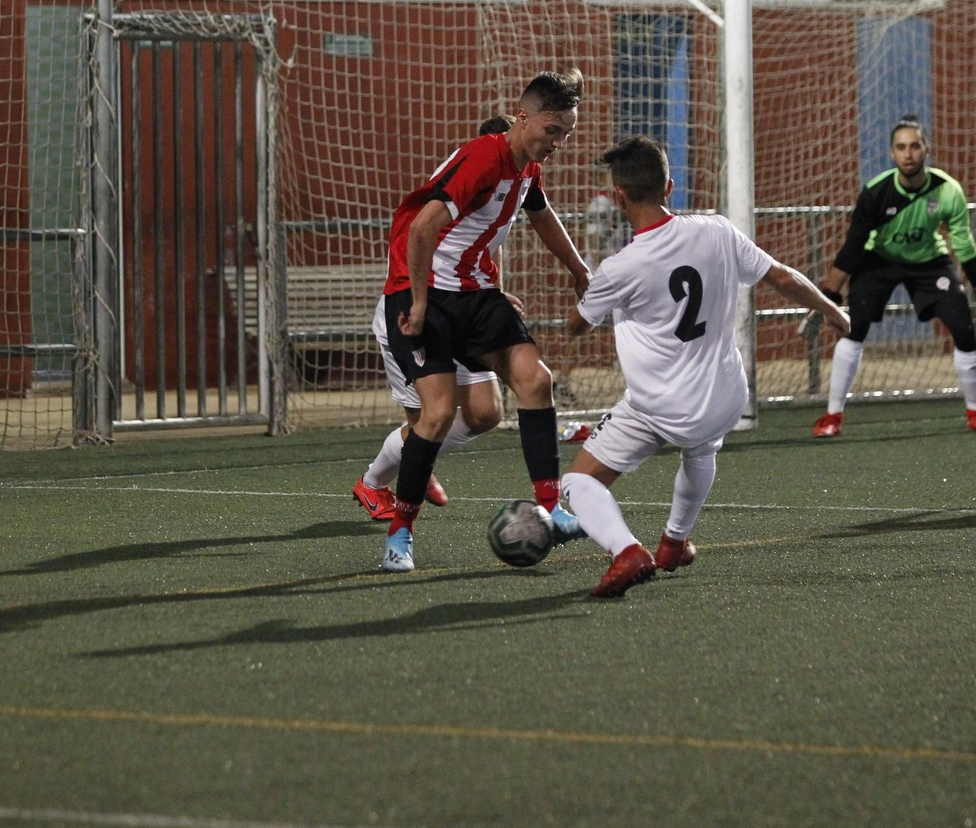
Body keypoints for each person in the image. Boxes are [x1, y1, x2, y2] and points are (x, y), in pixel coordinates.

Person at [561, 136, 849, 597]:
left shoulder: (621, 267)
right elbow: (781, 277)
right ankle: (675, 540)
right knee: (700, 448)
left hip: (660, 407)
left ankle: (627, 550)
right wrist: (833, 311)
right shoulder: (716, 230)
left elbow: (576, 326)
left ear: (618, 197)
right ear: (669, 187)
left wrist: (592, 287)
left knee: (576, 482)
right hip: (726, 398)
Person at [379, 69, 594, 572]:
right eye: (553, 130)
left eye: (567, 133)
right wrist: (420, 300)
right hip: (425, 295)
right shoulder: (484, 157)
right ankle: (399, 535)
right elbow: (421, 229)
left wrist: (579, 270)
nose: (558, 142)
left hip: (476, 294)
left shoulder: (527, 167)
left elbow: (542, 218)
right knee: (434, 416)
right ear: (523, 117)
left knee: (535, 381)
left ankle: (552, 508)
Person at [352, 115, 517, 520]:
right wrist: (420, 307)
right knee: (432, 419)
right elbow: (420, 245)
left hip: (465, 312)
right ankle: (375, 483)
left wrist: (491, 297)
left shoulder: (504, 194)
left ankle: (418, 455)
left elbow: (482, 256)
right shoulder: (453, 196)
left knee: (486, 413)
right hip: (416, 315)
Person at [810, 118, 976, 438]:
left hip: (929, 262)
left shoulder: (947, 190)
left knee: (962, 325)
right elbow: (854, 246)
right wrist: (828, 296)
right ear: (891, 153)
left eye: (915, 146)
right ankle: (832, 416)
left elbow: (964, 245)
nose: (908, 154)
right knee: (852, 328)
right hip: (879, 260)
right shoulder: (876, 192)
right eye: (901, 147)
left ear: (926, 149)